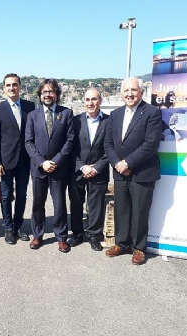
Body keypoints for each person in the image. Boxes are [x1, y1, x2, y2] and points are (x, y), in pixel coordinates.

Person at [104, 77, 162, 265]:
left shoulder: (152, 112)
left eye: (134, 90)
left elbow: (151, 144)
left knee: (140, 212)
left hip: (142, 172)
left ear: (141, 92)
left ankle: (139, 248)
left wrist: (127, 163)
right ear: (122, 94)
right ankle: (121, 243)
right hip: (120, 172)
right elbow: (108, 143)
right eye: (126, 91)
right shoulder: (115, 115)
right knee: (121, 209)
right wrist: (117, 164)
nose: (130, 94)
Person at [25, 79, 74, 252]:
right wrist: (42, 162)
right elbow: (28, 142)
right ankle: (37, 235)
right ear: (40, 95)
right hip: (39, 168)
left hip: (59, 168)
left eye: (51, 91)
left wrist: (56, 161)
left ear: (57, 94)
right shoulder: (32, 115)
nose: (47, 94)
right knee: (38, 203)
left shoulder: (67, 113)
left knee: (60, 204)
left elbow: (69, 141)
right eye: (44, 92)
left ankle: (61, 237)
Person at [0, 73, 35, 245]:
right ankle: (8, 228)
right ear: (4, 89)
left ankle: (18, 226)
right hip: (5, 161)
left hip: (25, 160)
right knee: (6, 195)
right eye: (8, 85)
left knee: (22, 195)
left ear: (20, 87)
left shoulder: (30, 107)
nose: (12, 88)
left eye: (15, 84)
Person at [68, 88, 109, 252]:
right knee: (76, 204)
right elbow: (70, 147)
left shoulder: (109, 121)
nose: (90, 103)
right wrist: (82, 166)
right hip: (78, 171)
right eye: (87, 100)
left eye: (94, 99)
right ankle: (77, 233)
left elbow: (111, 148)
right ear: (83, 102)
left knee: (96, 205)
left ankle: (93, 235)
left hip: (99, 171)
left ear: (100, 101)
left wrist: (97, 167)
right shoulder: (75, 121)